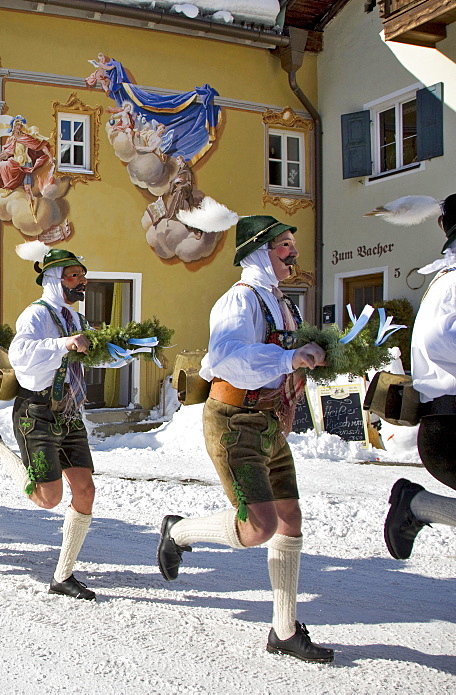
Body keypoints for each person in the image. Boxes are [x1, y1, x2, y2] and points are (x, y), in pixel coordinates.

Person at [155, 215, 333, 663]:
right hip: (234, 421)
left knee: (289, 517)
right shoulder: (239, 300)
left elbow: (282, 356)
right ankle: (179, 532)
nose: (293, 252)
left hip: (269, 420)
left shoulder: (279, 301)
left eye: (292, 244)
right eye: (284, 246)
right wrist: (291, 356)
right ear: (259, 251)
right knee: (260, 527)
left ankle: (285, 630)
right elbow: (230, 359)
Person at [0, 245, 101, 600]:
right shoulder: (35, 314)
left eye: (82, 275)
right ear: (56, 280)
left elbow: (89, 354)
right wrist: (63, 344)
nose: (82, 282)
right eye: (75, 276)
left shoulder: (77, 318)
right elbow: (21, 354)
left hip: (69, 412)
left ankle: (63, 576)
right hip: (38, 412)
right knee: (48, 498)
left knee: (85, 491)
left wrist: (124, 349)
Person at [384, 193, 456, 560]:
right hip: (448, 423)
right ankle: (416, 505)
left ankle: (417, 505)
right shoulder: (453, 280)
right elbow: (438, 340)